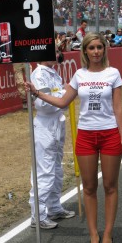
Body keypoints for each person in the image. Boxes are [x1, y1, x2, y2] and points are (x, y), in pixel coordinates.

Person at [25, 32, 122, 243]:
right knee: (89, 187)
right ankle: (94, 235)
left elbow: (118, 108)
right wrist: (36, 93)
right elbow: (63, 101)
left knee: (110, 187)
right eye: (91, 48)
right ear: (85, 51)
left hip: (110, 134)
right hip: (85, 136)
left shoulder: (113, 73)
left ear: (104, 49)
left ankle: (107, 235)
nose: (96, 52)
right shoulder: (79, 75)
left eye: (99, 47)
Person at [29, 53, 75, 229]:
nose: (57, 54)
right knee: (45, 170)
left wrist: (62, 95)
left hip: (57, 122)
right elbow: (44, 104)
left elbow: (61, 99)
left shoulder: (53, 72)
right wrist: (64, 94)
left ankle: (54, 207)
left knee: (56, 168)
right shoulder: (39, 74)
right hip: (45, 124)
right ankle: (38, 216)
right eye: (53, 50)